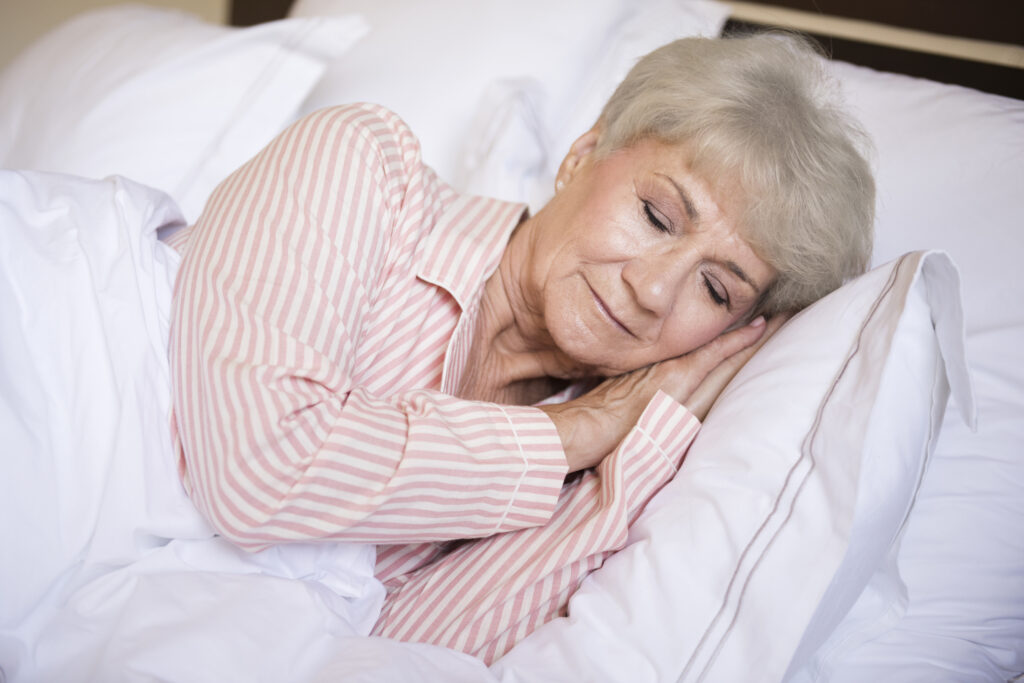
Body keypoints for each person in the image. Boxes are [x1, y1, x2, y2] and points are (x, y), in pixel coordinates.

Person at [167, 33, 874, 660]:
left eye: (717, 291)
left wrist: (616, 467)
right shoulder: (366, 168)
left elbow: (400, 653)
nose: (655, 289)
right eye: (656, 215)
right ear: (583, 153)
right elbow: (259, 472)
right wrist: (569, 433)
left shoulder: (610, 459)